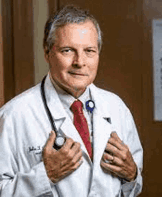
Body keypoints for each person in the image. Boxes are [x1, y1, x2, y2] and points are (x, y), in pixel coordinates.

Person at [0, 5, 143, 197]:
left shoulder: (116, 107)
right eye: (68, 51)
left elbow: (132, 187)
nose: (80, 62)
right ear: (47, 53)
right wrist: (44, 175)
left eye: (89, 51)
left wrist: (132, 174)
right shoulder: (14, 115)